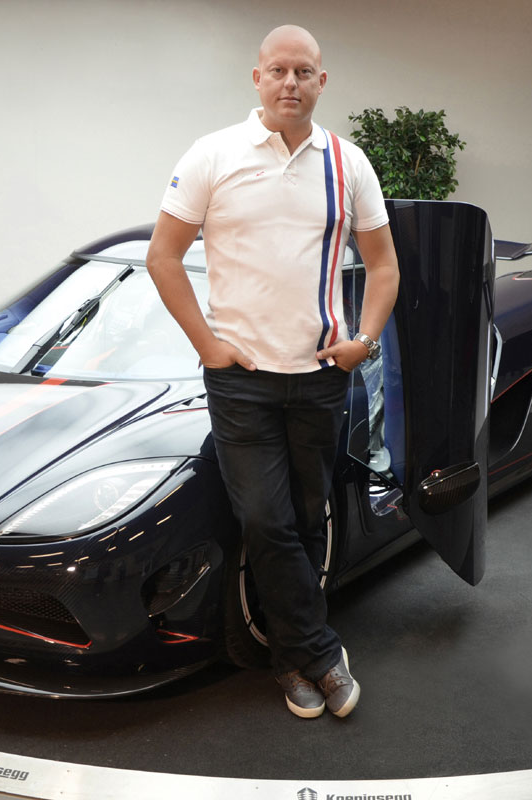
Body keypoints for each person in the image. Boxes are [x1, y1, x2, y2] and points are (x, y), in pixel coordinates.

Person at [147, 24, 399, 719]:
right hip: (242, 380)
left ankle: (290, 659)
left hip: (321, 376)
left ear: (322, 82)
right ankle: (321, 652)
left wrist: (365, 340)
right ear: (257, 77)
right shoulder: (212, 155)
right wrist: (209, 346)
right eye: (279, 70)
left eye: (304, 72)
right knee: (266, 520)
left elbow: (384, 265)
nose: (291, 82)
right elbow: (163, 257)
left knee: (308, 518)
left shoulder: (348, 163)